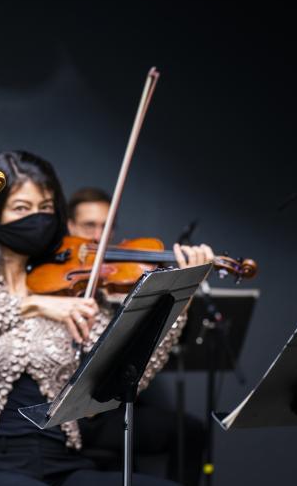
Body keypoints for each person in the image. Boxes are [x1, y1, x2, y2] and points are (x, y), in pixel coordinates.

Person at [0, 150, 212, 486]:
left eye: (45, 208)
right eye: (21, 208)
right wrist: (30, 305)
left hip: (66, 464)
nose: (37, 218)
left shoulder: (78, 294)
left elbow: (128, 378)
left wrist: (181, 297)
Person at [66, 187, 207, 485]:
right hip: (68, 413)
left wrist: (186, 286)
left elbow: (146, 353)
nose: (97, 236)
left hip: (110, 404)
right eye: (89, 225)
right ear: (70, 227)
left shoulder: (122, 287)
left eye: (106, 227)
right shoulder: (57, 281)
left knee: (190, 430)